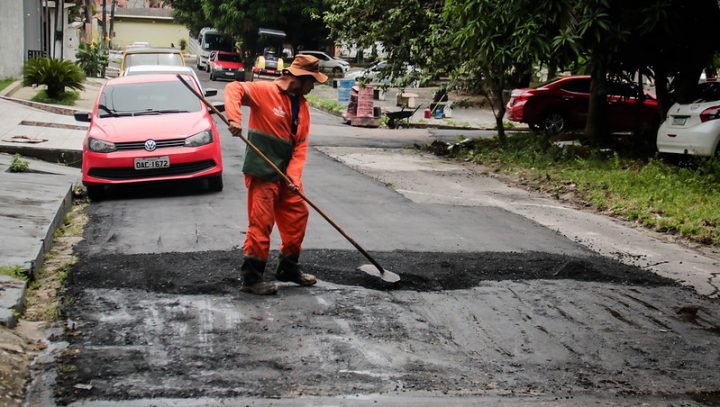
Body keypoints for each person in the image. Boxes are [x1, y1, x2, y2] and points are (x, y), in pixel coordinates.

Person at [224, 54, 328, 295]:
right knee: (261, 223)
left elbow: (300, 144)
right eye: (312, 82)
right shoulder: (264, 91)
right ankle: (252, 278)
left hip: (286, 174)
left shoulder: (302, 105)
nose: (313, 87)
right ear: (300, 78)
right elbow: (234, 88)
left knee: (298, 216)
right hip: (263, 170)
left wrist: (293, 177)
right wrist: (234, 118)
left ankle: (288, 268)